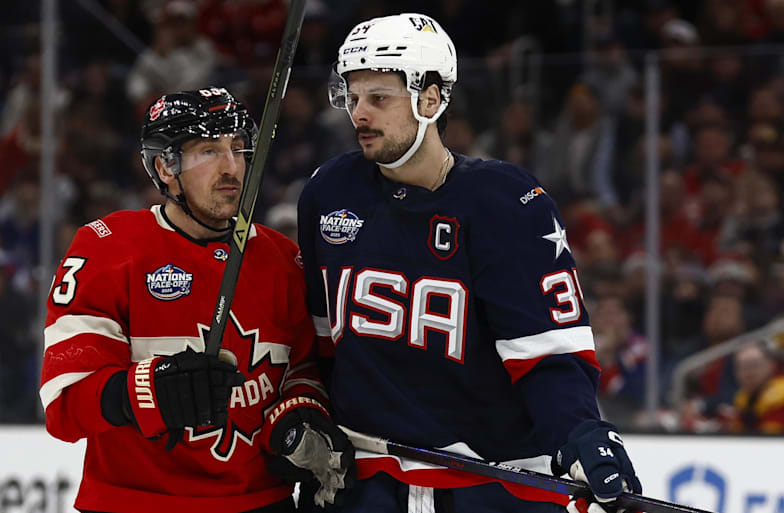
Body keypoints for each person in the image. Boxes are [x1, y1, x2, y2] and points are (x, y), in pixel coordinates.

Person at [296, 13, 642, 513]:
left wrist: (580, 431)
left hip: (488, 484)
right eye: (352, 98)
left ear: (430, 99)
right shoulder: (329, 191)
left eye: (378, 97)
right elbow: (323, 345)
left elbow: (546, 356)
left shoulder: (508, 202)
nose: (359, 114)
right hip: (365, 483)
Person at [41, 88, 355, 513]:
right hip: (136, 503)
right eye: (209, 150)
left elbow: (305, 370)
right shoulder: (109, 248)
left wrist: (300, 414)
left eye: (238, 149)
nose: (231, 167)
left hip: (259, 503)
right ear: (165, 168)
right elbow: (65, 405)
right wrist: (150, 391)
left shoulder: (283, 259)